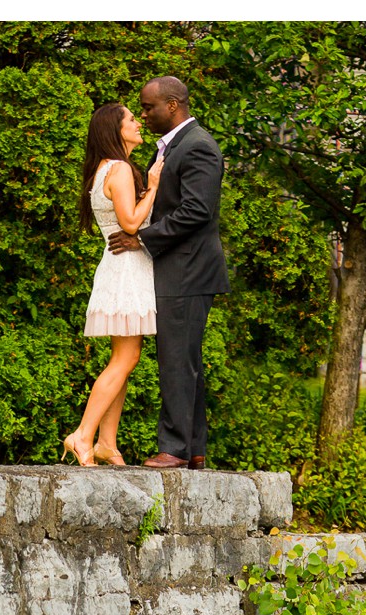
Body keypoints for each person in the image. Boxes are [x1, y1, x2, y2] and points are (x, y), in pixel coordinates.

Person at [107, 76, 228, 469]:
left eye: (148, 107)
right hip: (179, 269)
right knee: (183, 357)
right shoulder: (175, 146)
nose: (143, 114)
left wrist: (142, 239)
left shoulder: (198, 147)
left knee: (176, 358)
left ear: (173, 105)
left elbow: (197, 211)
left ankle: (173, 449)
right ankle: (194, 450)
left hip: (189, 271)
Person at [62, 103, 164, 468]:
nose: (139, 124)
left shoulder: (106, 169)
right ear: (115, 130)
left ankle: (106, 442)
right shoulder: (119, 169)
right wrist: (152, 187)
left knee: (123, 359)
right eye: (131, 120)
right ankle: (83, 435)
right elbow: (132, 224)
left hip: (120, 268)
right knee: (126, 358)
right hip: (127, 271)